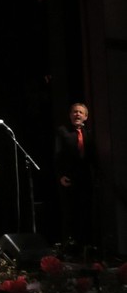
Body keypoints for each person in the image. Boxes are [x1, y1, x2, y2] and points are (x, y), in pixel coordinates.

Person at [54, 103, 96, 248]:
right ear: (70, 115)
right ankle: (69, 248)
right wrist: (60, 175)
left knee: (85, 214)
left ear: (85, 116)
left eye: (80, 112)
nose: (77, 114)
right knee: (69, 215)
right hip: (68, 179)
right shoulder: (63, 131)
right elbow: (57, 155)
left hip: (84, 179)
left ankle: (86, 247)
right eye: (74, 112)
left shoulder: (89, 133)